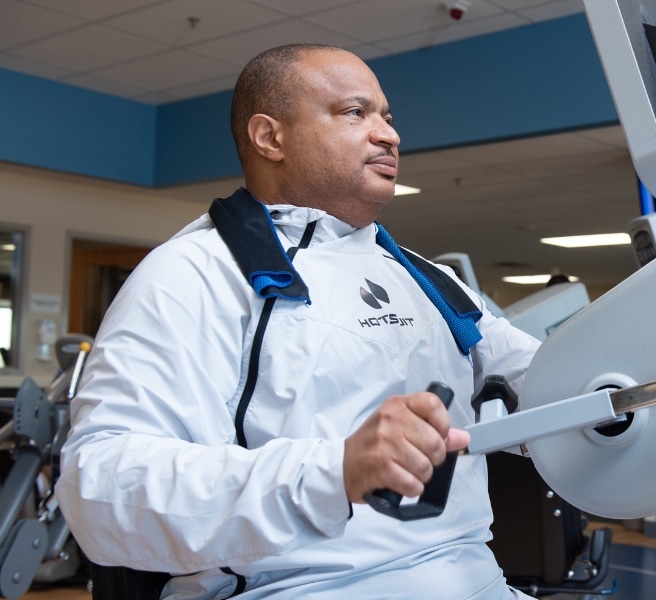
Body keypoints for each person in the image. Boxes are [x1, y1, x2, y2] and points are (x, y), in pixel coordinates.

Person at [57, 44, 541, 599]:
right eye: (355, 113)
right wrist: (332, 470)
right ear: (270, 138)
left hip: (477, 581)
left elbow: (550, 384)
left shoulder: (431, 282)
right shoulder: (190, 274)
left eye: (387, 116)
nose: (389, 135)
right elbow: (101, 486)